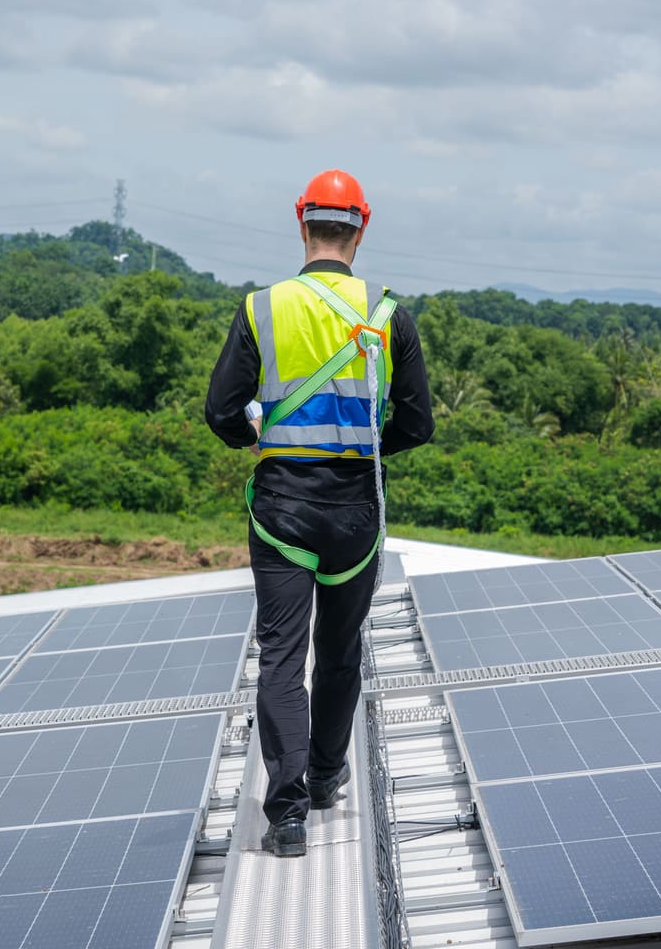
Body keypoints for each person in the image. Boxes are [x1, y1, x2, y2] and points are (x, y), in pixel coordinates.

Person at [205, 169, 434, 857]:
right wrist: (367, 449)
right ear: (362, 227)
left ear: (300, 222)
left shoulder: (261, 309)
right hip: (356, 514)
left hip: (283, 511)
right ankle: (329, 777)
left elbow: (220, 412)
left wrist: (260, 437)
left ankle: (287, 814)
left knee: (281, 656)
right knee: (338, 652)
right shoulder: (391, 314)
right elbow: (417, 423)